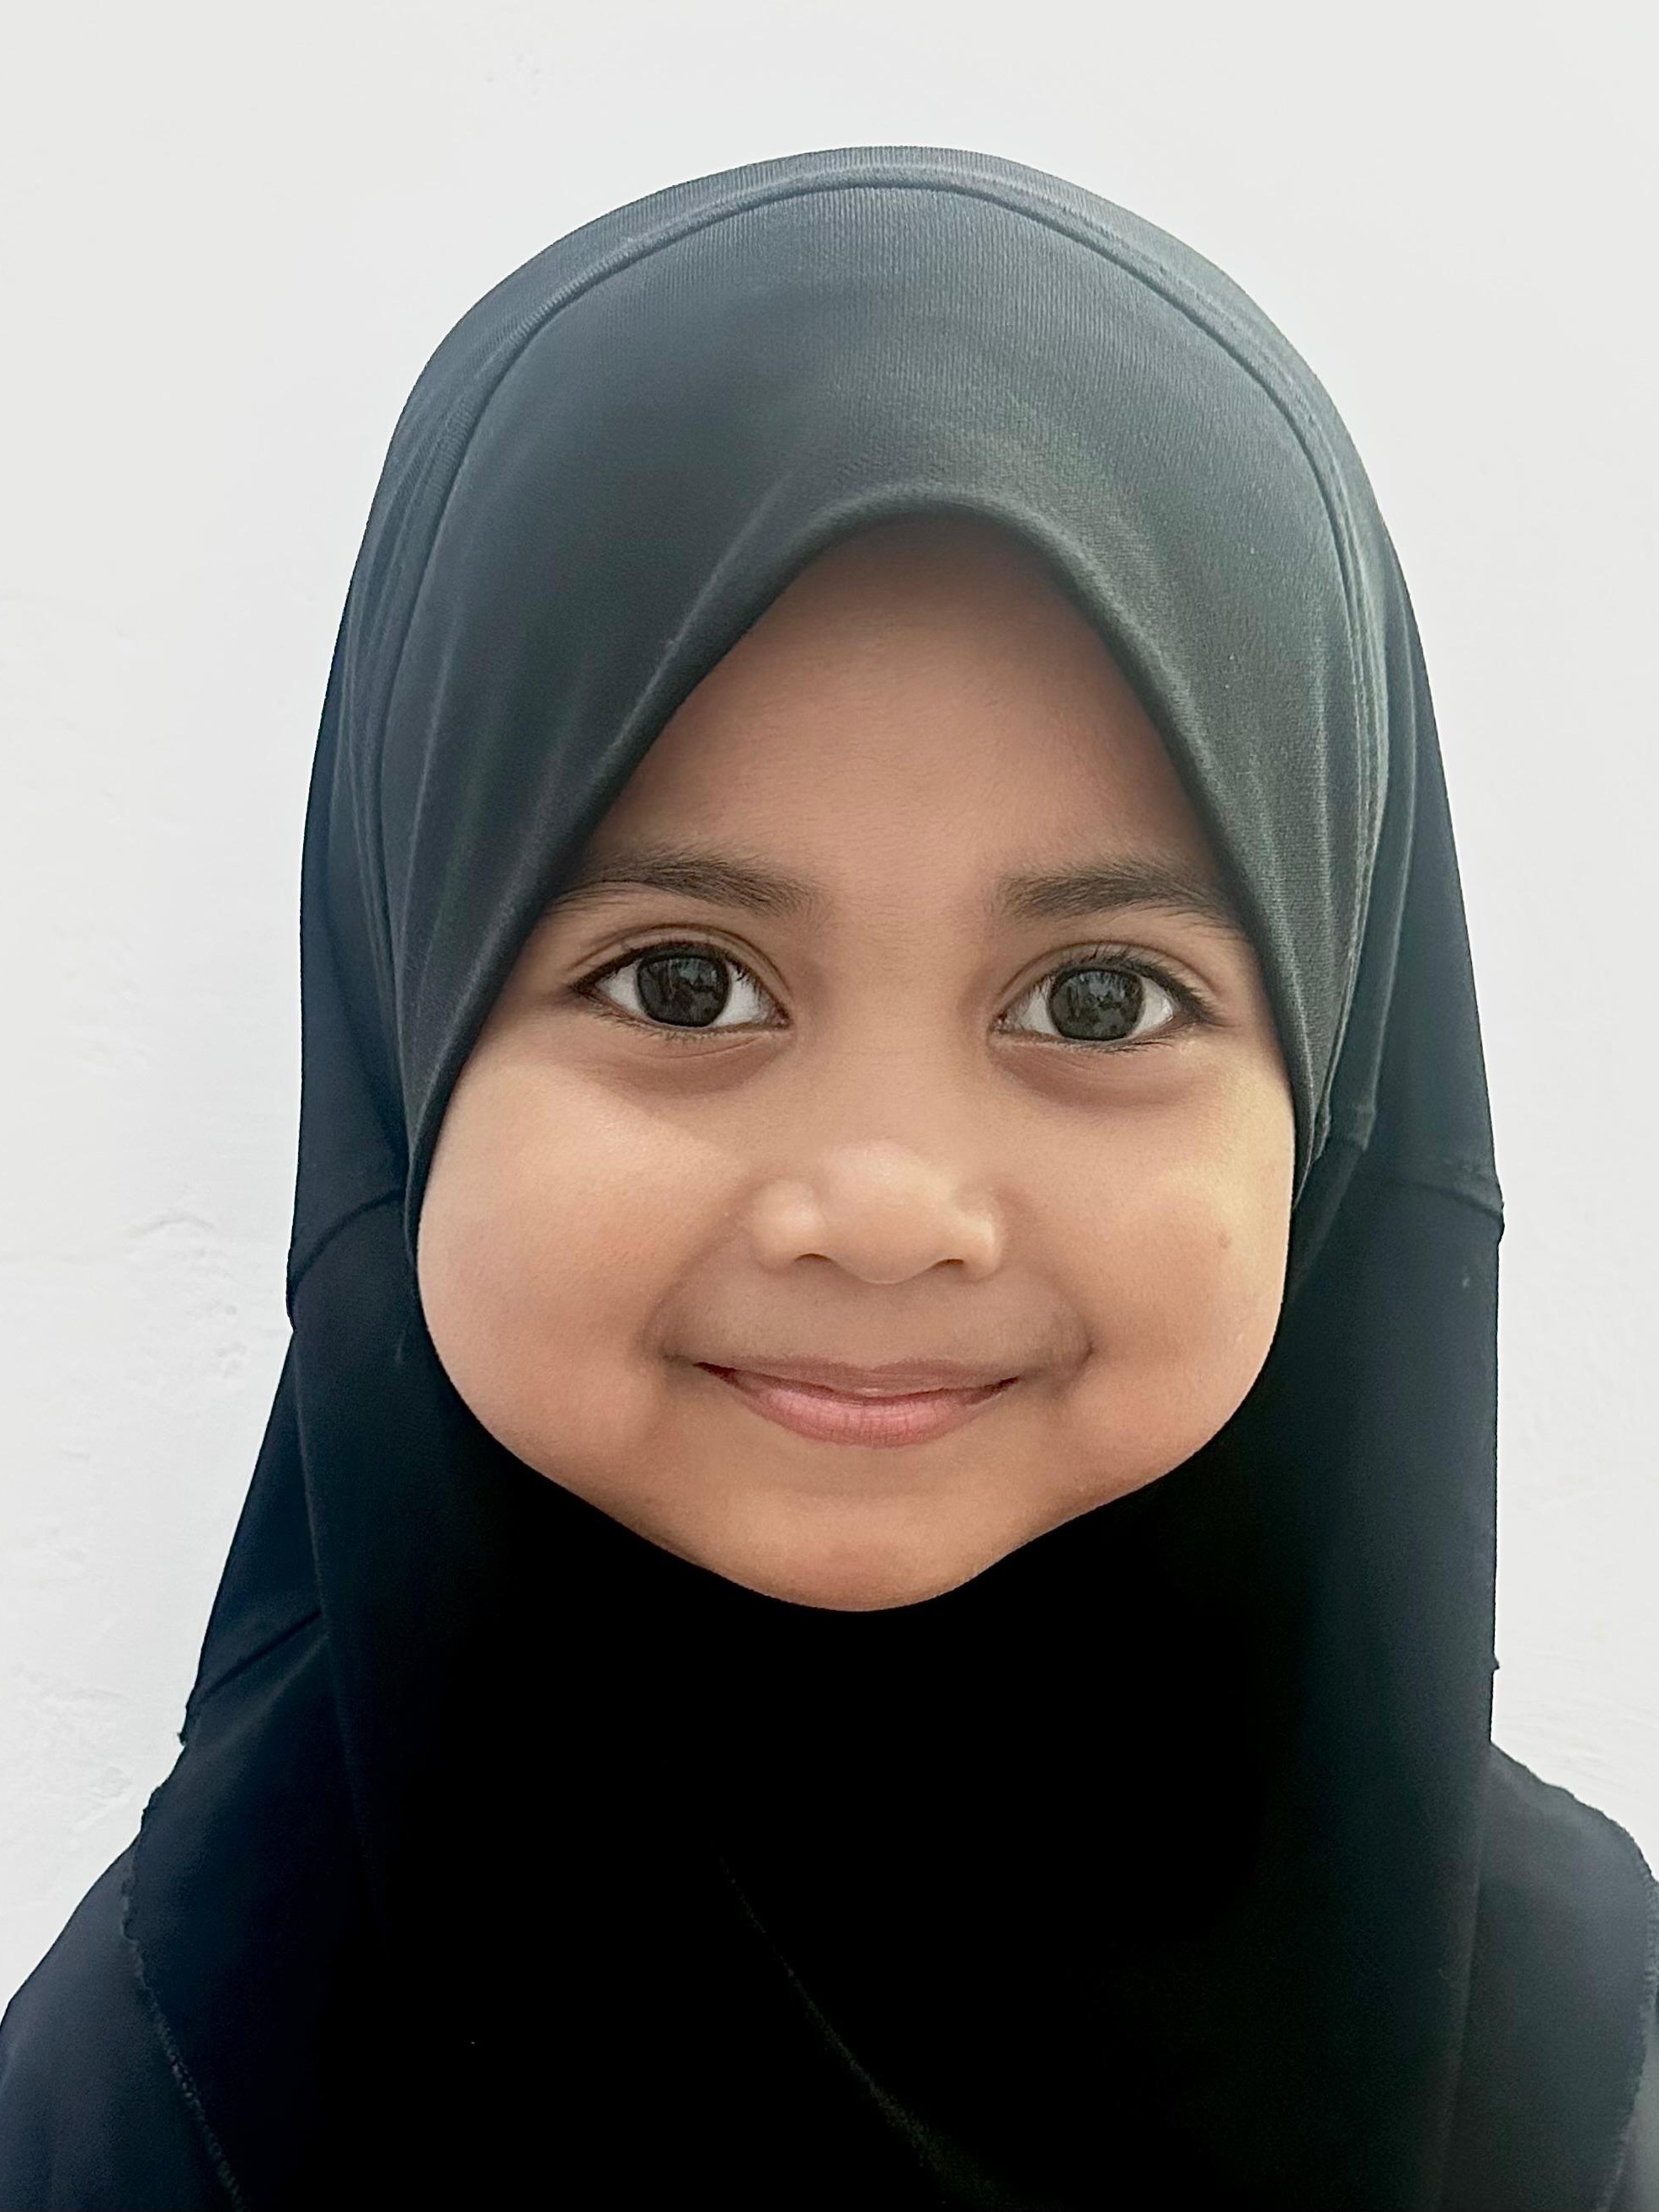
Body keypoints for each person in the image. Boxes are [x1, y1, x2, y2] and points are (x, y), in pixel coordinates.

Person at [1, 143, 1653, 2211]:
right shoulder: (186, 2074)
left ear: (1337, 1095)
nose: (884, 1208)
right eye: (683, 983)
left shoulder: (1566, 2061)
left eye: (1099, 1001)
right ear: (405, 1029)